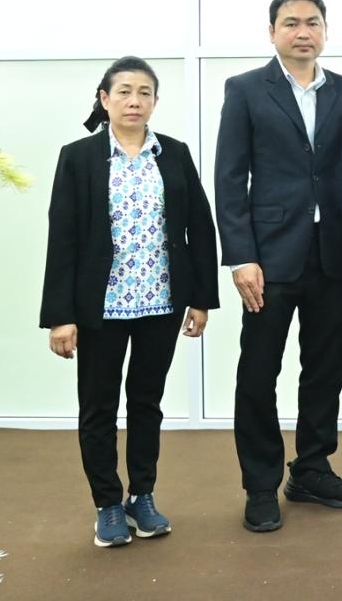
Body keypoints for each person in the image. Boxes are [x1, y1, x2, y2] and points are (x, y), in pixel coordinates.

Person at [41, 57, 219, 548]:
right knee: (99, 408)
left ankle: (142, 496)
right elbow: (63, 239)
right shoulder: (78, 157)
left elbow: (200, 228)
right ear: (104, 99)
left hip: (161, 301)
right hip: (100, 307)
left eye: (144, 92)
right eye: (123, 92)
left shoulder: (174, 154)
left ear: (155, 102)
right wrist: (60, 316)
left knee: (147, 403)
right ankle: (107, 504)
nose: (134, 101)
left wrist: (201, 299)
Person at [215, 0, 342, 533]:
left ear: (325, 30)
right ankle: (260, 484)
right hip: (270, 257)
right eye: (292, 23)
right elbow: (230, 177)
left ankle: (312, 469)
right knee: (259, 372)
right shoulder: (245, 89)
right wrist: (241, 256)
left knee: (325, 369)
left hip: (333, 254)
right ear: (272, 31)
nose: (303, 32)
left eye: (313, 23)